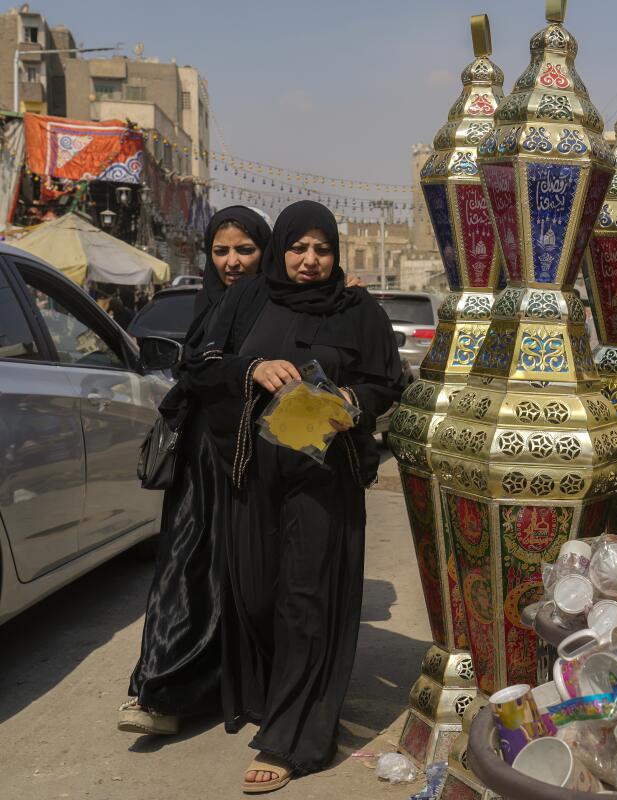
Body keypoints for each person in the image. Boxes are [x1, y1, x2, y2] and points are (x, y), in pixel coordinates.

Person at [187, 201, 404, 793]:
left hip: (321, 478)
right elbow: (200, 365)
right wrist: (251, 369)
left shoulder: (358, 309)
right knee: (257, 594)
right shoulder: (247, 299)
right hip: (251, 472)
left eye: (322, 249)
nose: (310, 261)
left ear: (335, 253)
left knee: (305, 598)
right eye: (299, 248)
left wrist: (353, 405)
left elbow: (387, 382)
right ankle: (270, 694)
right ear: (281, 249)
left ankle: (293, 737)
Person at [119, 207, 272, 737]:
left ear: (265, 251)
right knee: (185, 568)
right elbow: (196, 371)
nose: (232, 262)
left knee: (245, 575)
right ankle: (159, 689)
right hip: (203, 460)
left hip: (256, 458)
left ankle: (232, 686)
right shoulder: (209, 302)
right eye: (221, 251)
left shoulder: (277, 303)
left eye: (245, 250)